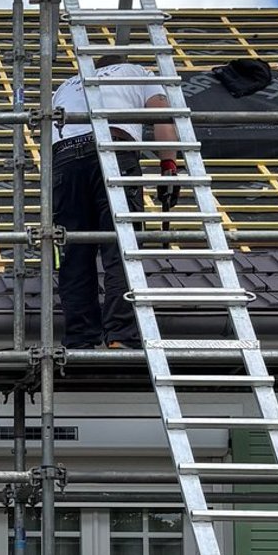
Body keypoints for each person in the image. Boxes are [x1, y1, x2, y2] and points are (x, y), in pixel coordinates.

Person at [50, 53, 180, 347]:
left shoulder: (66, 84)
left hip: (65, 162)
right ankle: (120, 335)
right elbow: (161, 116)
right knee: (122, 249)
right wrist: (169, 166)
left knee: (73, 253)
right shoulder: (138, 72)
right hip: (112, 149)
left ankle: (80, 338)